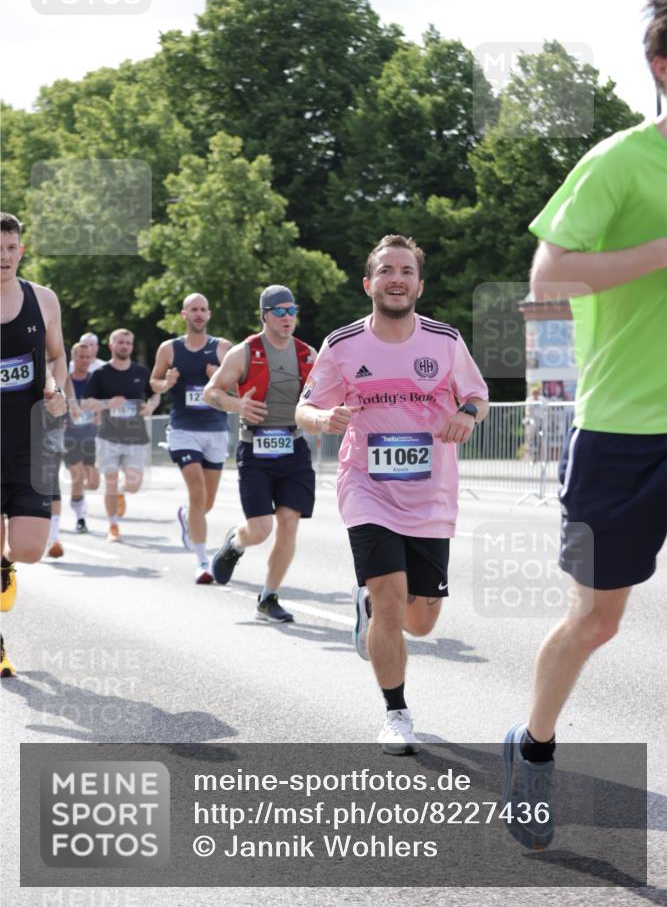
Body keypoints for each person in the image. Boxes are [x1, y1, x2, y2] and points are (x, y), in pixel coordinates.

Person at [502, 0, 667, 851]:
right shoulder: (619, 162)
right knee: (597, 620)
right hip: (625, 433)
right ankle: (533, 748)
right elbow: (550, 280)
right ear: (662, 68)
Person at [295, 235, 489, 754]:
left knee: (421, 620)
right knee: (389, 599)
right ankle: (396, 713)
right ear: (369, 283)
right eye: (385, 271)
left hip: (432, 496)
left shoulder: (445, 342)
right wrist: (324, 417)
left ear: (419, 285)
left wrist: (466, 415)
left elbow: (477, 395)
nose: (395, 278)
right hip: (367, 489)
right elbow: (304, 409)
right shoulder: (342, 345)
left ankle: (375, 612)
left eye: (405, 270)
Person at [203, 286, 316, 622]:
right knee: (261, 529)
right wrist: (238, 404)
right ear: (265, 314)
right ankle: (235, 543)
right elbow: (212, 392)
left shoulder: (307, 354)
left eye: (292, 310)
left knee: (289, 523)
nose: (287, 317)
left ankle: (268, 597)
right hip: (255, 450)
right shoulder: (244, 352)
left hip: (293, 448)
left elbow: (324, 394)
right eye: (279, 311)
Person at [1, 212, 67, 677]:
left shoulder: (42, 300)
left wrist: (57, 390)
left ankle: (6, 564)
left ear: (21, 250)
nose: (3, 257)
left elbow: (58, 356)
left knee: (28, 549)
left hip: (32, 446)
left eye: (10, 248)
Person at [150, 294, 231, 584]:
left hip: (216, 429)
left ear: (209, 314)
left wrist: (219, 377)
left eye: (203, 310)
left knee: (205, 502)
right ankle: (203, 562)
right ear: (184, 314)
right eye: (193, 310)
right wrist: (166, 383)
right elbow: (154, 381)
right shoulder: (168, 349)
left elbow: (237, 387)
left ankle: (187, 516)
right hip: (183, 428)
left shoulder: (223, 349)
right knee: (197, 491)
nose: (198, 314)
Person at [82, 328, 159, 542]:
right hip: (108, 436)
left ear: (132, 347)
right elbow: (86, 402)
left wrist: (150, 407)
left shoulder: (141, 372)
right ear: (111, 345)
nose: (125, 346)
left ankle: (121, 494)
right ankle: (113, 525)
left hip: (136, 437)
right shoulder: (100, 373)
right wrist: (107, 403)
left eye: (128, 343)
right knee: (111, 482)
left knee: (134, 485)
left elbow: (155, 396)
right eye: (120, 342)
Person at [64, 341, 100, 533]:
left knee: (93, 483)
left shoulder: (95, 380)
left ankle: (77, 498)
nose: (85, 360)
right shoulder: (64, 381)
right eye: (81, 356)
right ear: (73, 358)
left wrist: (100, 414)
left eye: (88, 357)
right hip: (69, 437)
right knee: (77, 475)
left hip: (89, 438)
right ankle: (81, 519)